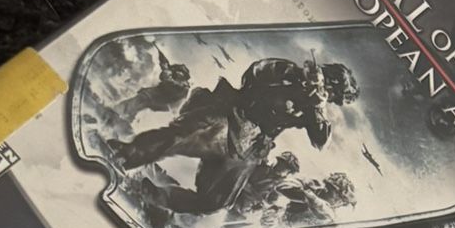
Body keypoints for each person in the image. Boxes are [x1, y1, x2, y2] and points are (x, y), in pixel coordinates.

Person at [115, 56, 359, 171]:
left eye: (331, 96)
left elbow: (320, 141)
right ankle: (127, 155)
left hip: (248, 143)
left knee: (218, 200)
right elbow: (253, 74)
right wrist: (297, 80)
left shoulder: (313, 107)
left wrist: (316, 106)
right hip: (230, 110)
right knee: (181, 134)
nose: (328, 95)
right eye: (330, 90)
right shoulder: (288, 70)